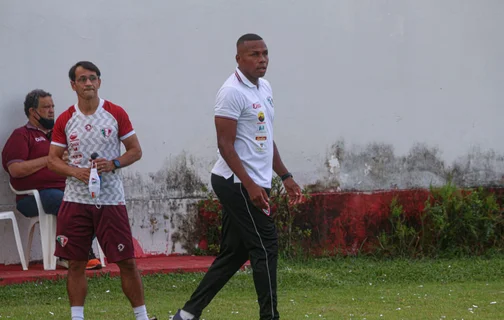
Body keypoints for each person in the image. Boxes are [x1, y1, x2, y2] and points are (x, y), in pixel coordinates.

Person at [172, 33, 303, 320]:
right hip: (235, 182)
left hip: (253, 182)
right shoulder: (231, 91)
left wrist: (285, 175)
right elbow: (225, 144)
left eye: (265, 53)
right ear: (238, 59)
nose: (262, 59)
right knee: (265, 245)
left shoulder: (264, 87)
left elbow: (266, 139)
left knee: (234, 254)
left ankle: (187, 314)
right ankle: (270, 317)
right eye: (254, 54)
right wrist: (251, 185)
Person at [47, 61, 155, 320]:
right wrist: (76, 172)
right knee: (75, 262)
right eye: (82, 79)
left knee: (126, 261)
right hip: (76, 199)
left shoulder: (115, 113)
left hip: (110, 199)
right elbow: (53, 159)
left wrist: (114, 163)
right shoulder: (65, 118)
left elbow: (135, 150)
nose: (88, 84)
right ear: (73, 85)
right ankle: (77, 317)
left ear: (99, 82)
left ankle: (141, 317)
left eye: (93, 78)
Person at [1, 89, 102, 270]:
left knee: (98, 204)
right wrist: (49, 160)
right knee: (67, 203)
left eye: (53, 106)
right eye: (46, 107)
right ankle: (76, 254)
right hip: (33, 197)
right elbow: (15, 170)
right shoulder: (21, 135)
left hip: (65, 189)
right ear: (33, 112)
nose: (51, 110)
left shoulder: (60, 136)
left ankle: (71, 253)